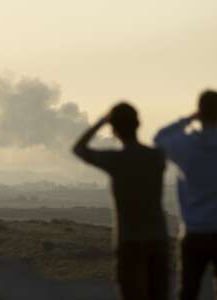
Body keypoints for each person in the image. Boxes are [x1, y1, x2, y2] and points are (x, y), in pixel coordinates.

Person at [154, 90, 217, 300]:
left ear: (199, 111)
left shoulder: (184, 145)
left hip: (194, 232)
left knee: (188, 291)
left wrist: (188, 119)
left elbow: (160, 138)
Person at [73, 102, 169, 300]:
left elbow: (79, 149)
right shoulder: (157, 157)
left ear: (115, 130)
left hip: (129, 240)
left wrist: (102, 120)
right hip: (158, 237)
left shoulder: (115, 160)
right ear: (138, 124)